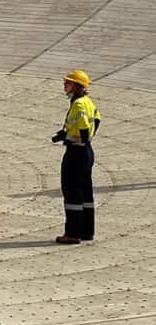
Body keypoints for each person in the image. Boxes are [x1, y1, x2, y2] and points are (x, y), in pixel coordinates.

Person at [51, 69, 101, 244]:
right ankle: (87, 231)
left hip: (76, 152)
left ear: (77, 86)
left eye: (68, 83)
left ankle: (72, 233)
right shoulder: (87, 101)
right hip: (86, 152)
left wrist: (68, 137)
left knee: (72, 192)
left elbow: (84, 129)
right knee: (85, 192)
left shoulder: (79, 105)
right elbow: (98, 119)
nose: (65, 85)